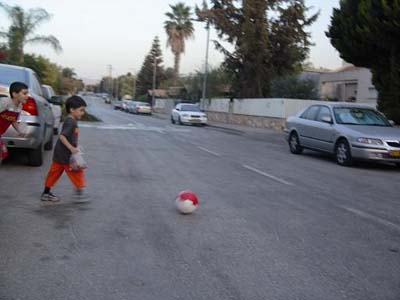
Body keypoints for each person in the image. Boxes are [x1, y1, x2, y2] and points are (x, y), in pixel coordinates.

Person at [41, 95, 88, 202]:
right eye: (81, 110)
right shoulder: (71, 122)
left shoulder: (70, 120)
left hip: (60, 154)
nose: (83, 113)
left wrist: (74, 146)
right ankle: (81, 192)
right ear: (72, 110)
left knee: (54, 173)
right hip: (66, 155)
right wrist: (71, 148)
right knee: (77, 172)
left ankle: (46, 192)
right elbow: (62, 136)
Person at [0, 82, 29, 162]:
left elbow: (13, 120)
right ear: (14, 94)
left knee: (2, 154)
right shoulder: (5, 102)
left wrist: (20, 131)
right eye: (24, 93)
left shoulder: (19, 106)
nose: (27, 96)